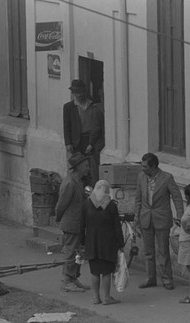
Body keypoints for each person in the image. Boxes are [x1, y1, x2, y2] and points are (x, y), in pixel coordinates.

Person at [134, 152, 184, 290]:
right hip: (146, 218)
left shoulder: (167, 178)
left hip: (161, 218)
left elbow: (177, 197)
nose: (143, 169)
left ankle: (167, 279)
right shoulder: (141, 177)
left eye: (145, 166)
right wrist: (136, 218)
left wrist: (180, 215)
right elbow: (138, 199)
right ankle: (150, 278)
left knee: (163, 251)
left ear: (154, 166)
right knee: (148, 251)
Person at [81, 180, 124, 305]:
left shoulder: (86, 204)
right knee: (106, 271)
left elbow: (81, 225)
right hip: (108, 243)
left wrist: (82, 243)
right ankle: (106, 297)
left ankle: (95, 297)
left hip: (91, 242)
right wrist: (120, 243)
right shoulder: (111, 205)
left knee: (94, 271)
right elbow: (117, 226)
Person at [55, 152, 91, 292]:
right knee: (71, 252)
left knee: (77, 252)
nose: (88, 168)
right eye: (86, 166)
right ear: (79, 167)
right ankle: (66, 279)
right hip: (71, 223)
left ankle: (73, 277)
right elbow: (61, 205)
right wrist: (58, 218)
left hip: (78, 223)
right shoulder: (70, 182)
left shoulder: (78, 181)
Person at [63, 79, 104, 187]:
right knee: (78, 166)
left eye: (81, 92)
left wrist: (91, 142)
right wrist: (68, 142)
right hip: (77, 140)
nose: (79, 95)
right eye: (76, 93)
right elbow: (66, 126)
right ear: (73, 93)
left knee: (91, 166)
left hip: (91, 139)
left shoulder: (92, 105)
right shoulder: (68, 107)